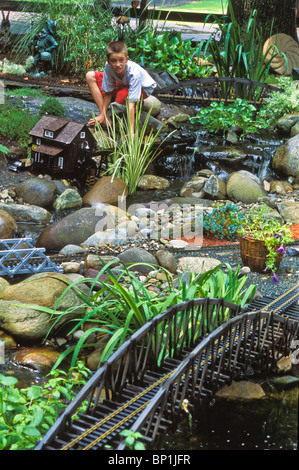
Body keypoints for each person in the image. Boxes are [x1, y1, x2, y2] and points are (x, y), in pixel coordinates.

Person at [86, 41, 156, 136]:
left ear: (126, 59)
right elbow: (108, 91)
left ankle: (138, 104)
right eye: (113, 61)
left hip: (143, 88)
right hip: (123, 82)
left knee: (121, 96)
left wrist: (131, 132)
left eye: (121, 60)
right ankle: (105, 117)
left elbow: (130, 103)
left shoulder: (134, 73)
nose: (118, 64)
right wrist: (102, 114)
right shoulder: (108, 67)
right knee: (90, 75)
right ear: (108, 61)